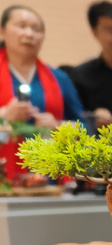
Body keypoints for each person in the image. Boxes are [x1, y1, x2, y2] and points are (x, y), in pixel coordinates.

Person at [0, 5, 85, 181]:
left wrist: (58, 125)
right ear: (2, 31)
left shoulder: (59, 78)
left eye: (36, 29)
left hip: (50, 180)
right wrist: (4, 117)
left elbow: (84, 128)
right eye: (22, 26)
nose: (29, 34)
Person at [70, 2, 112, 130]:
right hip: (97, 141)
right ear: (95, 32)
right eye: (110, 31)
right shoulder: (80, 75)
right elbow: (74, 116)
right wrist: (93, 117)